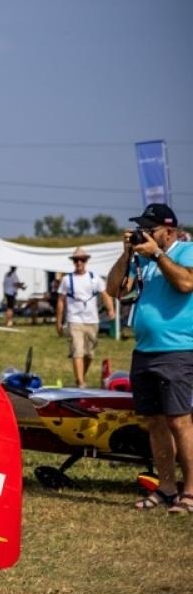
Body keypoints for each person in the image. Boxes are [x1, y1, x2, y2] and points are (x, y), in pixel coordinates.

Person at [106, 203, 193, 513]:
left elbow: (186, 284)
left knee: (180, 421)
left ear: (168, 230)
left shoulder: (187, 252)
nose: (145, 234)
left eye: (150, 229)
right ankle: (167, 488)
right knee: (155, 422)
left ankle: (190, 492)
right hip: (144, 351)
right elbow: (114, 289)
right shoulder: (141, 259)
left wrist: (157, 253)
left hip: (178, 350)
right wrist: (127, 253)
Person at [55, 247, 115, 387]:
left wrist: (110, 309)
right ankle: (81, 382)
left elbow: (105, 294)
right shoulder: (66, 280)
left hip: (92, 320)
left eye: (81, 260)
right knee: (77, 351)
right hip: (74, 320)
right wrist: (58, 322)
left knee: (89, 354)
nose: (79, 262)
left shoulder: (95, 278)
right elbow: (60, 301)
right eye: (76, 260)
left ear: (86, 261)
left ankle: (80, 377)